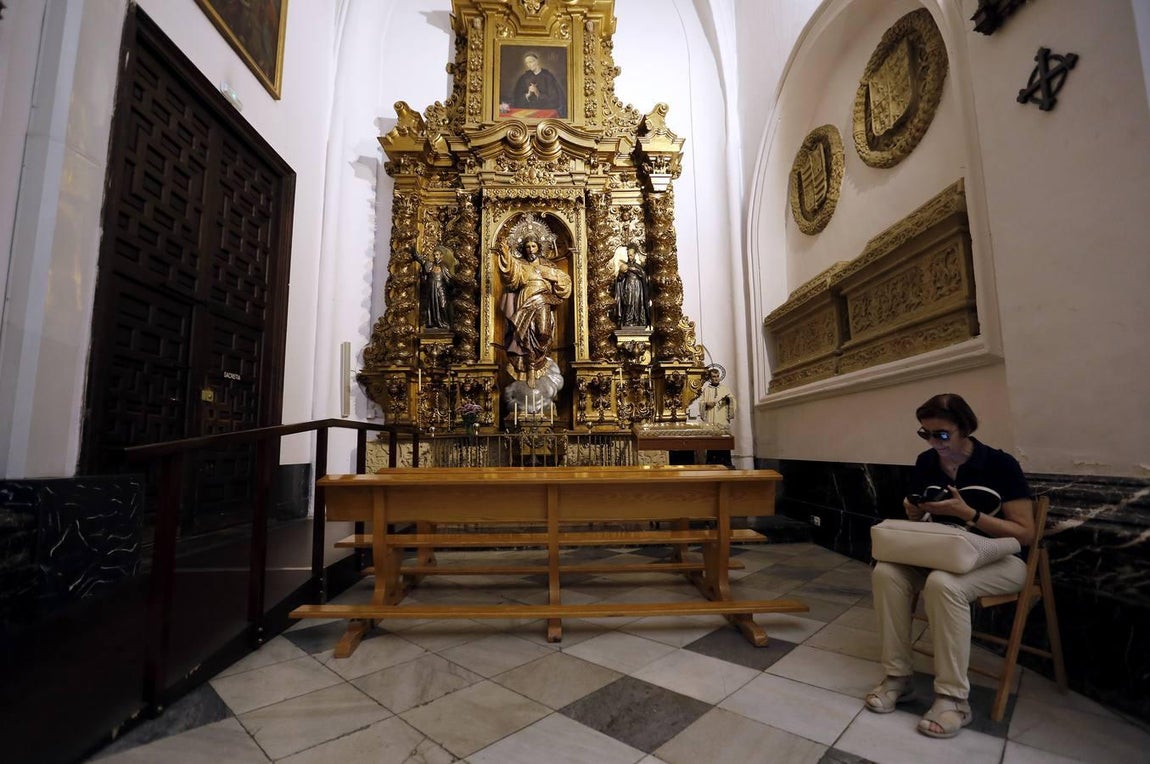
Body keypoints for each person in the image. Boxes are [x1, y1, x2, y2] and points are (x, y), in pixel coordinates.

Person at [866, 393, 1035, 738]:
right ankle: (898, 677)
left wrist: (970, 514)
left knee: (944, 584)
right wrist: (914, 510)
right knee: (886, 572)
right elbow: (919, 515)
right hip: (940, 554)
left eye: (941, 434)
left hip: (998, 559)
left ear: (965, 428)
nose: (933, 442)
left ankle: (953, 699)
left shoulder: (999, 464)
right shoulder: (926, 462)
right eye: (925, 434)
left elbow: (1026, 533)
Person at [497, 235, 572, 380]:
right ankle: (529, 366)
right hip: (526, 299)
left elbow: (565, 281)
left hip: (543, 299)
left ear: (539, 247)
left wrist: (550, 275)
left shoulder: (548, 265)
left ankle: (539, 362)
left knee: (543, 332)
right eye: (527, 247)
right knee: (526, 333)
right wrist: (505, 253)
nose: (530, 250)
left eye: (533, 246)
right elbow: (510, 273)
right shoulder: (520, 265)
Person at [509, 52, 566, 117]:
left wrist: (537, 93)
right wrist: (527, 95)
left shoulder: (548, 76)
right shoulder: (524, 77)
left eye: (531, 62)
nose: (529, 65)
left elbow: (554, 100)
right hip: (528, 111)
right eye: (527, 63)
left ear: (537, 61)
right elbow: (516, 99)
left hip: (545, 112)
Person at [413, 246, 452, 329]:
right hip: (431, 289)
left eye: (437, 255)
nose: (436, 257)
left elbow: (449, 278)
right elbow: (422, 260)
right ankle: (434, 323)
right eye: (434, 255)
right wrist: (414, 252)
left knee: (442, 305)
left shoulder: (444, 266)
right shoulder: (430, 265)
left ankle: (444, 323)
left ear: (441, 256)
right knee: (432, 306)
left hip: (441, 289)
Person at [614, 242, 650, 327]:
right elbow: (620, 279)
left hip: (638, 287)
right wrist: (621, 272)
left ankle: (638, 321)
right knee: (628, 303)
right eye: (628, 255)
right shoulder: (625, 266)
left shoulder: (638, 267)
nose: (629, 257)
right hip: (628, 286)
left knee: (637, 303)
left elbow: (643, 275)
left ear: (635, 255)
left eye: (631, 255)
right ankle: (628, 321)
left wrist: (633, 269)